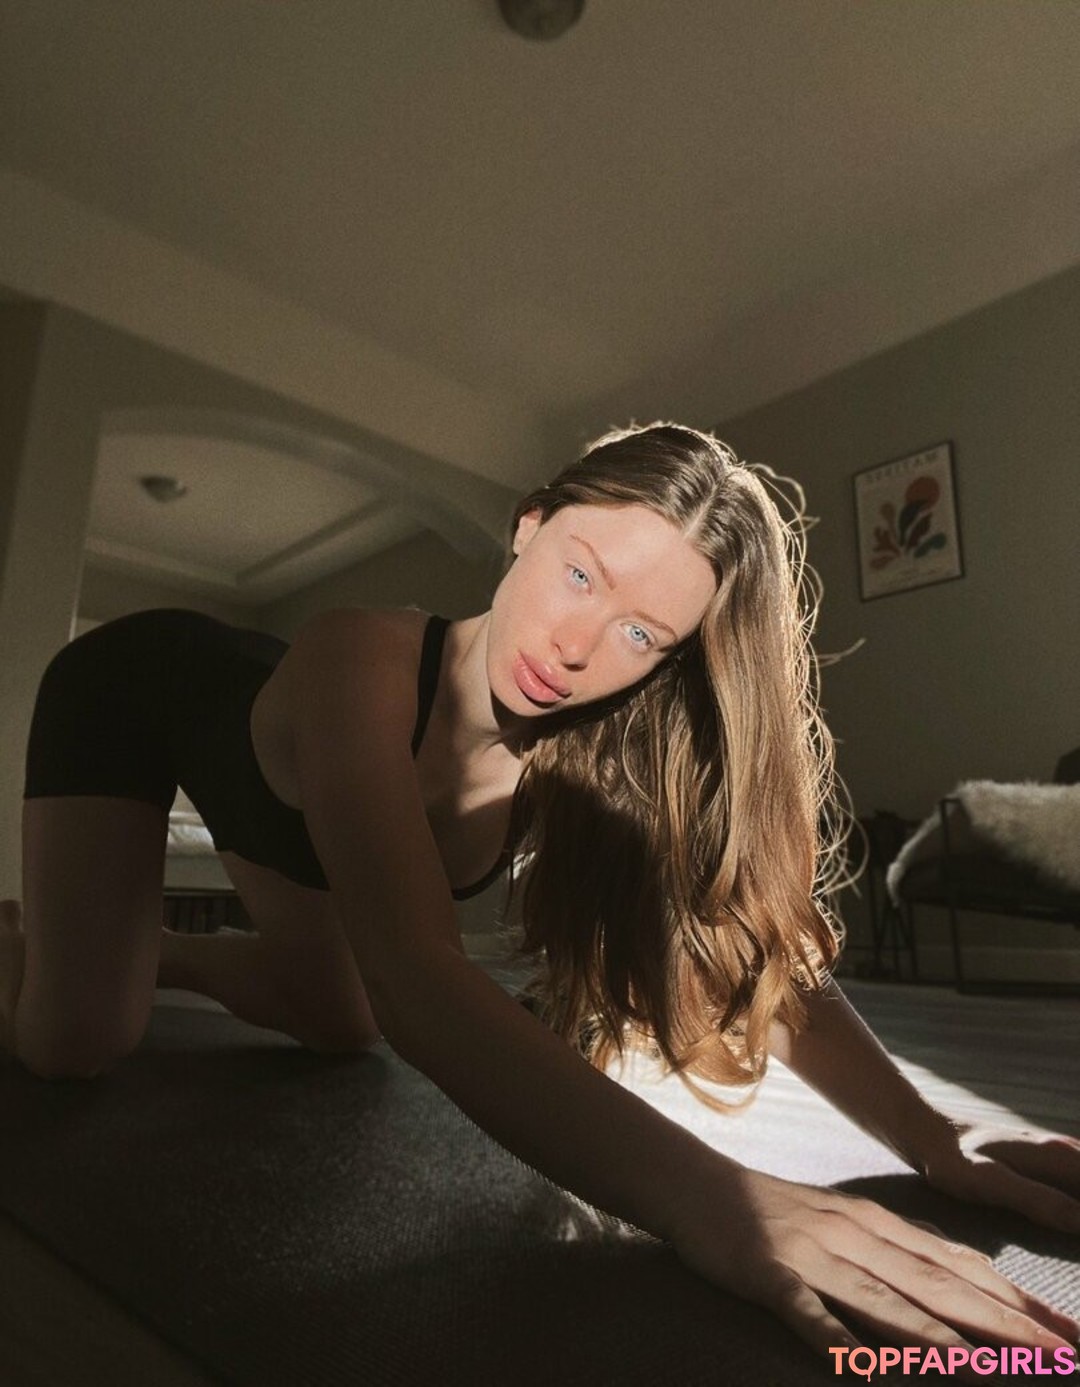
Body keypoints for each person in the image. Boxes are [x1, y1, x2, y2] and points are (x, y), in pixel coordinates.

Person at [1, 422, 1077, 1368]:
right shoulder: (356, 657)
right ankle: (48, 947)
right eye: (581, 574)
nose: (575, 647)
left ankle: (152, 948)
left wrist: (933, 1133)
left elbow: (739, 955)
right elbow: (421, 981)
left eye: (641, 634)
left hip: (298, 830)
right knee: (76, 1036)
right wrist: (723, 1202)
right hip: (142, 693)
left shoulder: (587, 760)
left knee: (341, 1024)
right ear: (529, 524)